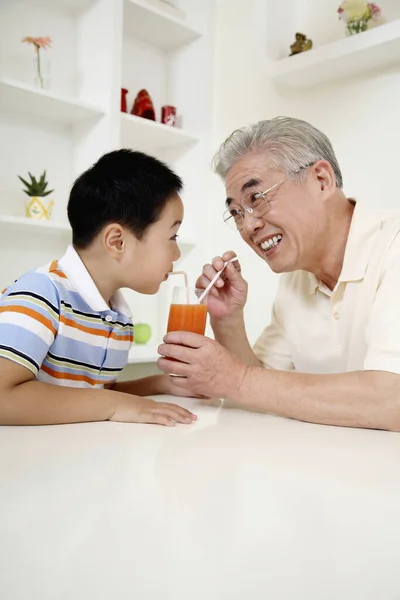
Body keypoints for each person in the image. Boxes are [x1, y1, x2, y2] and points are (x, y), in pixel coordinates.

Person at [158, 117, 400, 432]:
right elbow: (260, 389)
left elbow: (391, 400)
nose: (247, 227)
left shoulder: (393, 246)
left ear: (321, 180)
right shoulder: (296, 280)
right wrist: (228, 320)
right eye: (236, 213)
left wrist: (237, 379)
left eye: (256, 198)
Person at [0, 149, 197, 427]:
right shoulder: (40, 293)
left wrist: (160, 384)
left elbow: (91, 397)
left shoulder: (118, 318)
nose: (176, 254)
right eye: (172, 236)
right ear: (117, 241)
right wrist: (116, 404)